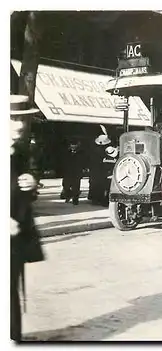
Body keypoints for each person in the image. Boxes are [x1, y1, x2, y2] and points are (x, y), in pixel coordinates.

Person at [10, 95, 46, 342]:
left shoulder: (19, 151)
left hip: (16, 235)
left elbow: (24, 187)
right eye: (13, 119)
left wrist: (32, 184)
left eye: (23, 119)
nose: (20, 125)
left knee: (11, 290)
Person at [62, 140, 85, 205]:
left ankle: (75, 200)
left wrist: (84, 168)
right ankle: (69, 195)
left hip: (77, 171)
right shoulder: (67, 152)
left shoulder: (81, 153)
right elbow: (63, 161)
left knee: (76, 186)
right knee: (66, 185)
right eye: (72, 145)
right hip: (68, 172)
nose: (73, 147)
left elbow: (84, 161)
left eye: (74, 145)